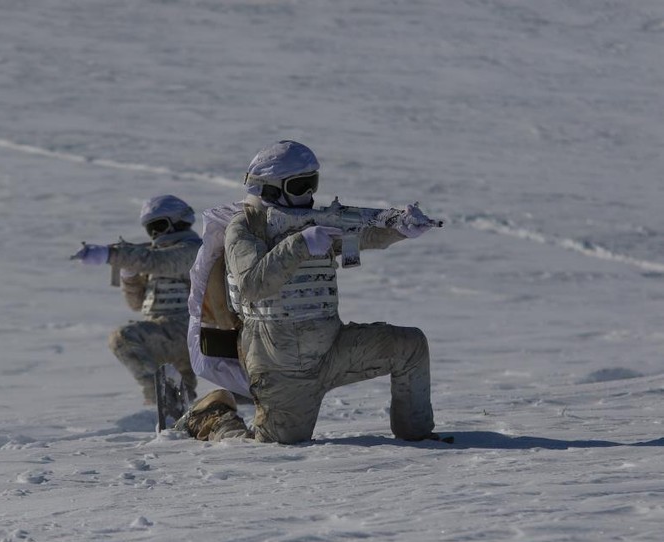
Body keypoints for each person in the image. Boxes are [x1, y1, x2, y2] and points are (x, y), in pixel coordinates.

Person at [180, 140, 439, 444]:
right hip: (281, 365)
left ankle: (418, 436)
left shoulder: (312, 224)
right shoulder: (246, 227)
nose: (310, 195)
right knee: (273, 445)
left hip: (332, 348)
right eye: (301, 185)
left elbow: (359, 236)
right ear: (271, 188)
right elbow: (252, 285)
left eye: (312, 184)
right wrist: (300, 245)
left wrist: (398, 229)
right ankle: (212, 416)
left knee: (410, 346)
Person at [71, 195, 201, 405]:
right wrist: (129, 277)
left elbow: (162, 262)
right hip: (164, 333)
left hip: (189, 329)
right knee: (183, 399)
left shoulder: (194, 250)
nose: (156, 234)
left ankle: (159, 396)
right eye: (151, 229)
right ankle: (177, 415)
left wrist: (111, 254)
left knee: (123, 338)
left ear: (178, 221)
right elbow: (136, 304)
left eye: (159, 225)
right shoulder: (153, 257)